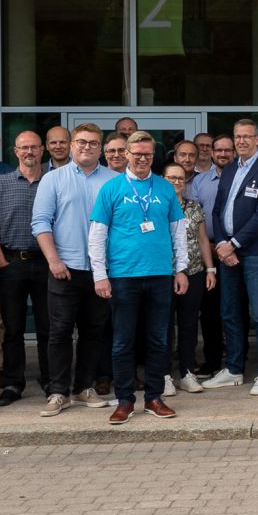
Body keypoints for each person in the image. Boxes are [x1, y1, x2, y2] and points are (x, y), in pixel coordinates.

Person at [88, 130, 184, 423]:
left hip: (159, 275)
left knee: (158, 340)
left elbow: (178, 231)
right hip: (123, 276)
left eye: (148, 155)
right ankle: (125, 400)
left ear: (153, 158)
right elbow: (97, 234)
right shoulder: (111, 189)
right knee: (123, 341)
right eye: (137, 154)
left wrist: (180, 269)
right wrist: (100, 275)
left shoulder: (165, 188)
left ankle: (154, 398)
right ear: (126, 154)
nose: (142, 159)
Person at [30, 123, 116, 415]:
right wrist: (53, 260)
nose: (87, 147)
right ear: (71, 145)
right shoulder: (52, 179)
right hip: (64, 270)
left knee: (94, 332)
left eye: (93, 143)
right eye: (81, 142)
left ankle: (83, 388)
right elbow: (41, 222)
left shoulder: (114, 181)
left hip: (100, 272)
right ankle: (57, 392)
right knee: (60, 332)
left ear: (101, 148)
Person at [205, 118, 258, 393]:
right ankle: (234, 369)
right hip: (228, 253)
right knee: (229, 312)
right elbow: (216, 211)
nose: (241, 141)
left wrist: (234, 243)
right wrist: (223, 244)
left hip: (255, 253)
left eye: (247, 136)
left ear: (257, 139)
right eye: (238, 136)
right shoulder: (228, 170)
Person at [0, 130, 49, 406]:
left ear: (42, 150)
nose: (29, 152)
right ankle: (12, 383)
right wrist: (0, 261)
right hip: (11, 263)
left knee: (49, 327)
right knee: (12, 327)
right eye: (24, 148)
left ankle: (51, 380)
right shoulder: (1, 183)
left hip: (46, 264)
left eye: (34, 147)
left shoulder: (53, 182)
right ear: (15, 151)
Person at [163, 160, 216, 394]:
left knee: (188, 324)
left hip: (193, 273)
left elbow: (203, 239)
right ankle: (164, 375)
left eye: (180, 178)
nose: (176, 182)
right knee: (162, 326)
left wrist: (210, 268)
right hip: (163, 274)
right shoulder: (156, 206)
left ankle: (186, 372)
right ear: (162, 180)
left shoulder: (194, 206)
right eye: (171, 178)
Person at [190, 131, 233, 376]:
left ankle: (238, 358)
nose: (223, 154)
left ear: (233, 153)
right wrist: (211, 249)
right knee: (210, 311)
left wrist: (229, 246)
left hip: (237, 251)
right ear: (212, 153)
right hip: (209, 251)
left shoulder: (242, 178)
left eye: (228, 150)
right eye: (219, 150)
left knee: (235, 308)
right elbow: (197, 219)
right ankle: (213, 360)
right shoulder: (199, 182)